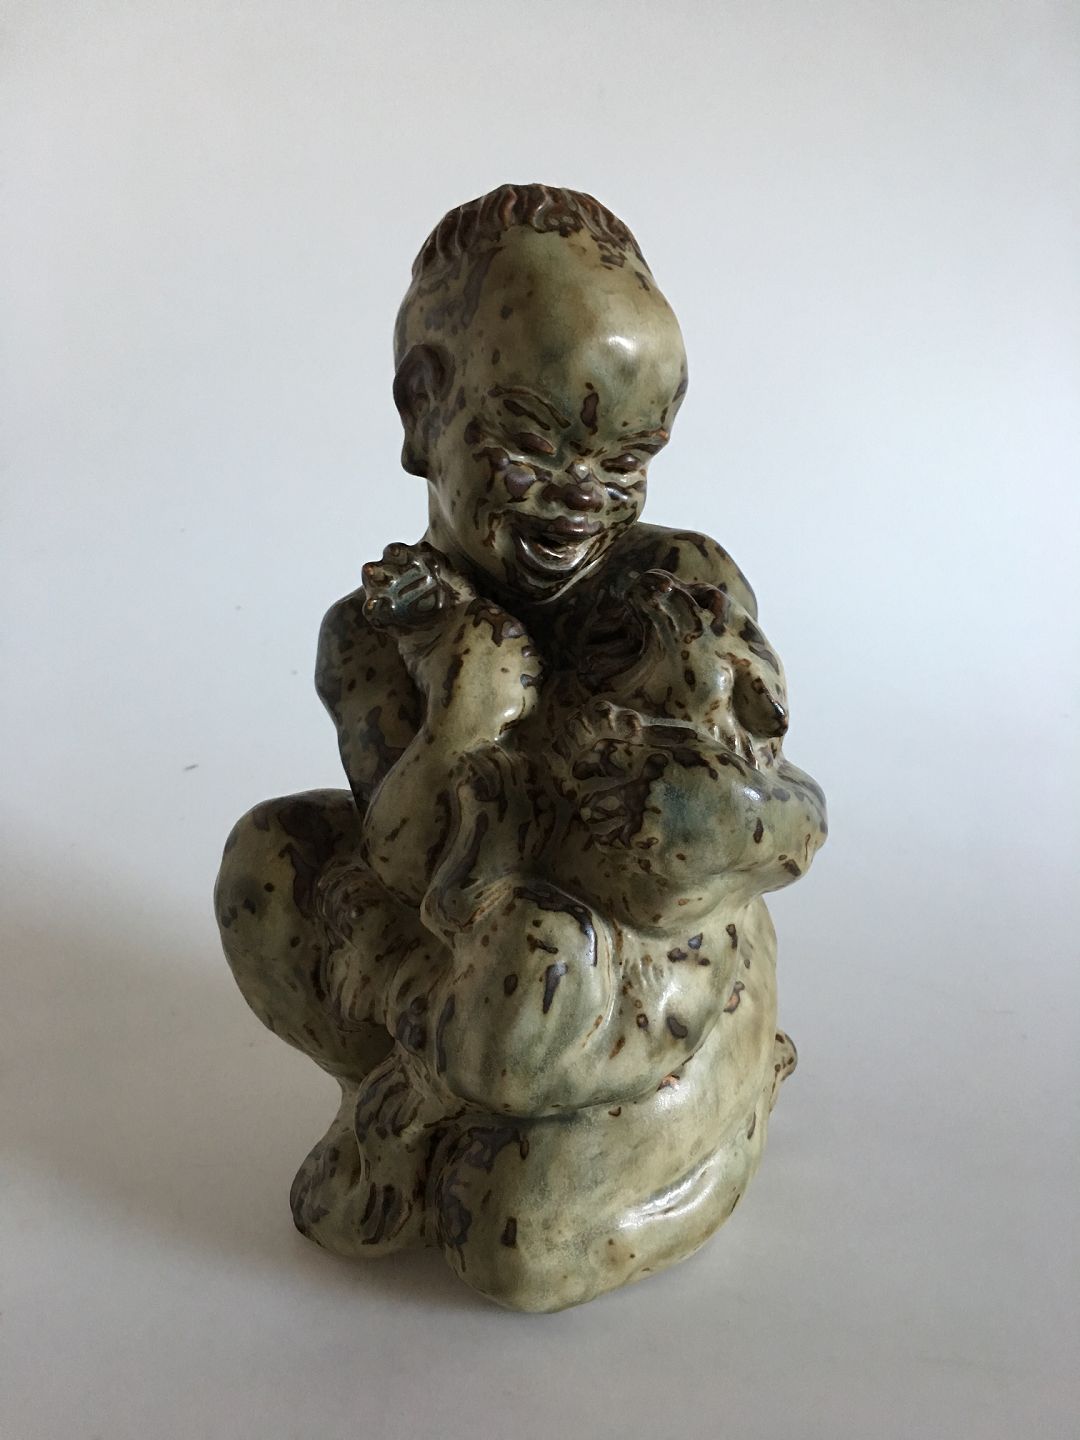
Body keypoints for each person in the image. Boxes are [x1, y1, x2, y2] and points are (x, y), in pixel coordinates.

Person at [215, 184, 827, 1311]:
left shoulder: (674, 591)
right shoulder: (375, 635)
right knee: (269, 866)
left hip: (652, 1005)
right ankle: (434, 1086)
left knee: (513, 1245)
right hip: (464, 972)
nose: (584, 498)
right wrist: (471, 700)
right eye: (535, 443)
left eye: (629, 458)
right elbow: (404, 858)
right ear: (423, 407)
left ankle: (717, 1109)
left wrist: (673, 812)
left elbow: (780, 824)